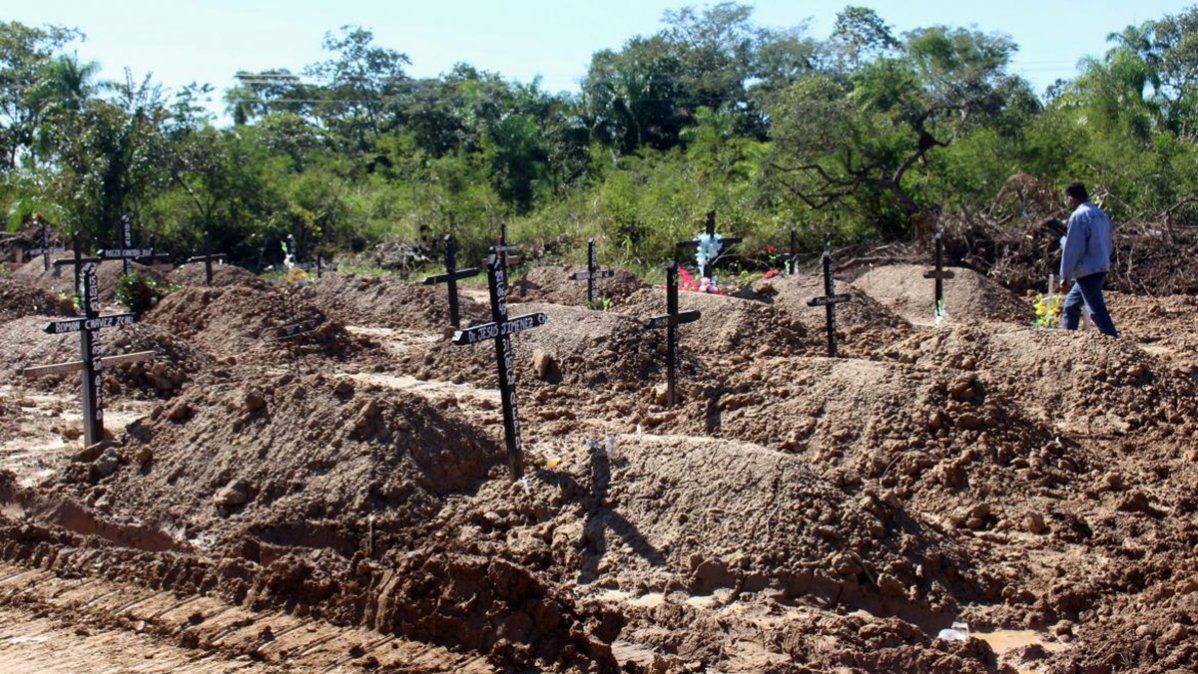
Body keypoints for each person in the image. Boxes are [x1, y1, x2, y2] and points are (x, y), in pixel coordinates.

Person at [1059, 182, 1118, 337]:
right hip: (1101, 267)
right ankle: (1066, 341)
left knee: (1096, 311)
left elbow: (1073, 249)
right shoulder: (1100, 214)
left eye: (1068, 198)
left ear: (1072, 197)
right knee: (1071, 306)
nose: (1068, 202)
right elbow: (1107, 242)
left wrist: (1065, 278)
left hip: (1087, 271)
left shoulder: (1078, 216)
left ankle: (1114, 342)